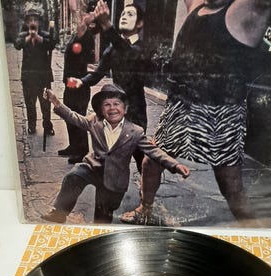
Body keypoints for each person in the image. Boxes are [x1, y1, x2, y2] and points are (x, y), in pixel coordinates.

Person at [119, 0, 271, 225]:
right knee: (151, 161)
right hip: (181, 107)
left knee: (231, 187)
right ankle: (145, 210)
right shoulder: (196, 5)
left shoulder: (240, 11)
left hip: (220, 114)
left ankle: (255, 233)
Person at [40, 84, 190, 224]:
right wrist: (55, 101)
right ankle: (59, 213)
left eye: (116, 104)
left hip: (115, 178)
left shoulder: (135, 131)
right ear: (101, 109)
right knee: (73, 176)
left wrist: (175, 165)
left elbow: (154, 151)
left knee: (102, 216)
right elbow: (74, 117)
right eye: (107, 104)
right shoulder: (94, 121)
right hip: (93, 168)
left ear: (125, 109)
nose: (112, 108)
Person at [75, 0, 150, 171]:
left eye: (130, 14)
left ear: (140, 23)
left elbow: (126, 51)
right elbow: (98, 72)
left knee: (140, 154)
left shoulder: (141, 48)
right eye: (122, 14)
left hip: (136, 110)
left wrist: (107, 25)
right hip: (115, 108)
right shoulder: (112, 48)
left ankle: (146, 184)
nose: (124, 16)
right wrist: (82, 81)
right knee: (112, 152)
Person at [57, 8, 96, 161]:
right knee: (69, 116)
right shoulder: (77, 34)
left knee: (78, 117)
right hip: (70, 83)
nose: (80, 17)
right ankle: (73, 146)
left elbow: (85, 55)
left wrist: (84, 24)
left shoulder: (87, 37)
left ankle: (82, 150)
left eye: (85, 14)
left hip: (79, 84)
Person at [14, 3, 56, 135]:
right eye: (30, 20)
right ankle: (32, 126)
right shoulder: (23, 35)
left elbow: (51, 44)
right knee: (30, 103)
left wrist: (37, 37)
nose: (33, 22)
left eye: (35, 20)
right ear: (27, 23)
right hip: (28, 77)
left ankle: (47, 126)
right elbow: (17, 45)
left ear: (39, 22)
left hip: (43, 77)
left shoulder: (45, 34)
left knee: (45, 104)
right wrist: (29, 37)